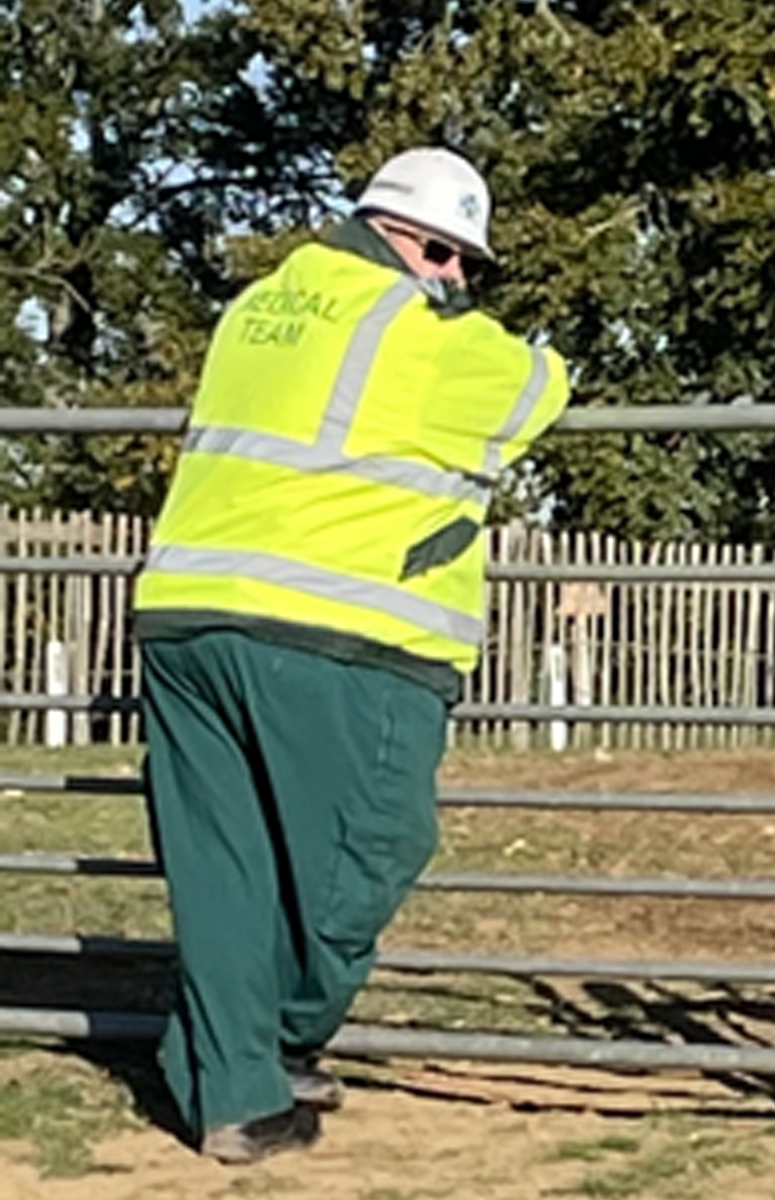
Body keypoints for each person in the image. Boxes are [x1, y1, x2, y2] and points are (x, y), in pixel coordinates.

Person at [133, 146, 570, 1164]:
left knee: (225, 870)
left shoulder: (257, 308)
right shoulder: (410, 328)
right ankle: (275, 1039)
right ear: (392, 235)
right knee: (368, 852)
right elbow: (538, 390)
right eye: (445, 252)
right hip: (338, 630)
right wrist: (462, 321)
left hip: (188, 615)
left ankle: (235, 1093)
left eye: (468, 263)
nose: (457, 277)